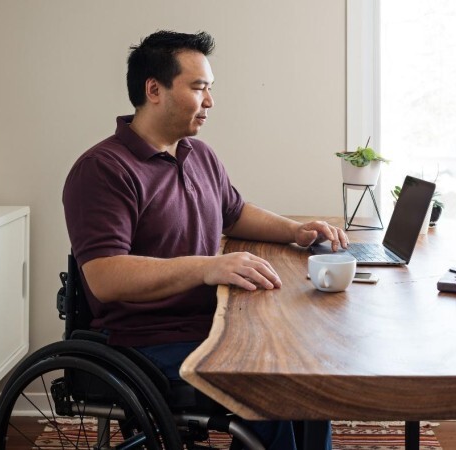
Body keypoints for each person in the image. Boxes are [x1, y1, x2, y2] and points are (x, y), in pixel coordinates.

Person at [62, 30, 346, 450]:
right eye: (198, 88)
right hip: (148, 340)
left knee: (306, 374)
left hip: (212, 323)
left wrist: (295, 231)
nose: (210, 101)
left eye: (209, 88)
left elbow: (234, 212)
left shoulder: (197, 154)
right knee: (271, 387)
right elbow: (104, 277)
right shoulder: (103, 170)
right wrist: (208, 267)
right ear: (154, 90)